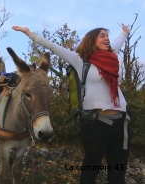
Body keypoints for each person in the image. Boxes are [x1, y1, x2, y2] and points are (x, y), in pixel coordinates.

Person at [12, 24, 130, 184]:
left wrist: (124, 33)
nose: (107, 38)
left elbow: (118, 42)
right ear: (91, 40)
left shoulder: (112, 57)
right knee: (92, 166)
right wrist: (29, 33)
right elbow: (53, 47)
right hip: (95, 122)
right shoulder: (80, 60)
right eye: (102, 35)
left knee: (118, 169)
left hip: (120, 122)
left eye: (107, 36)